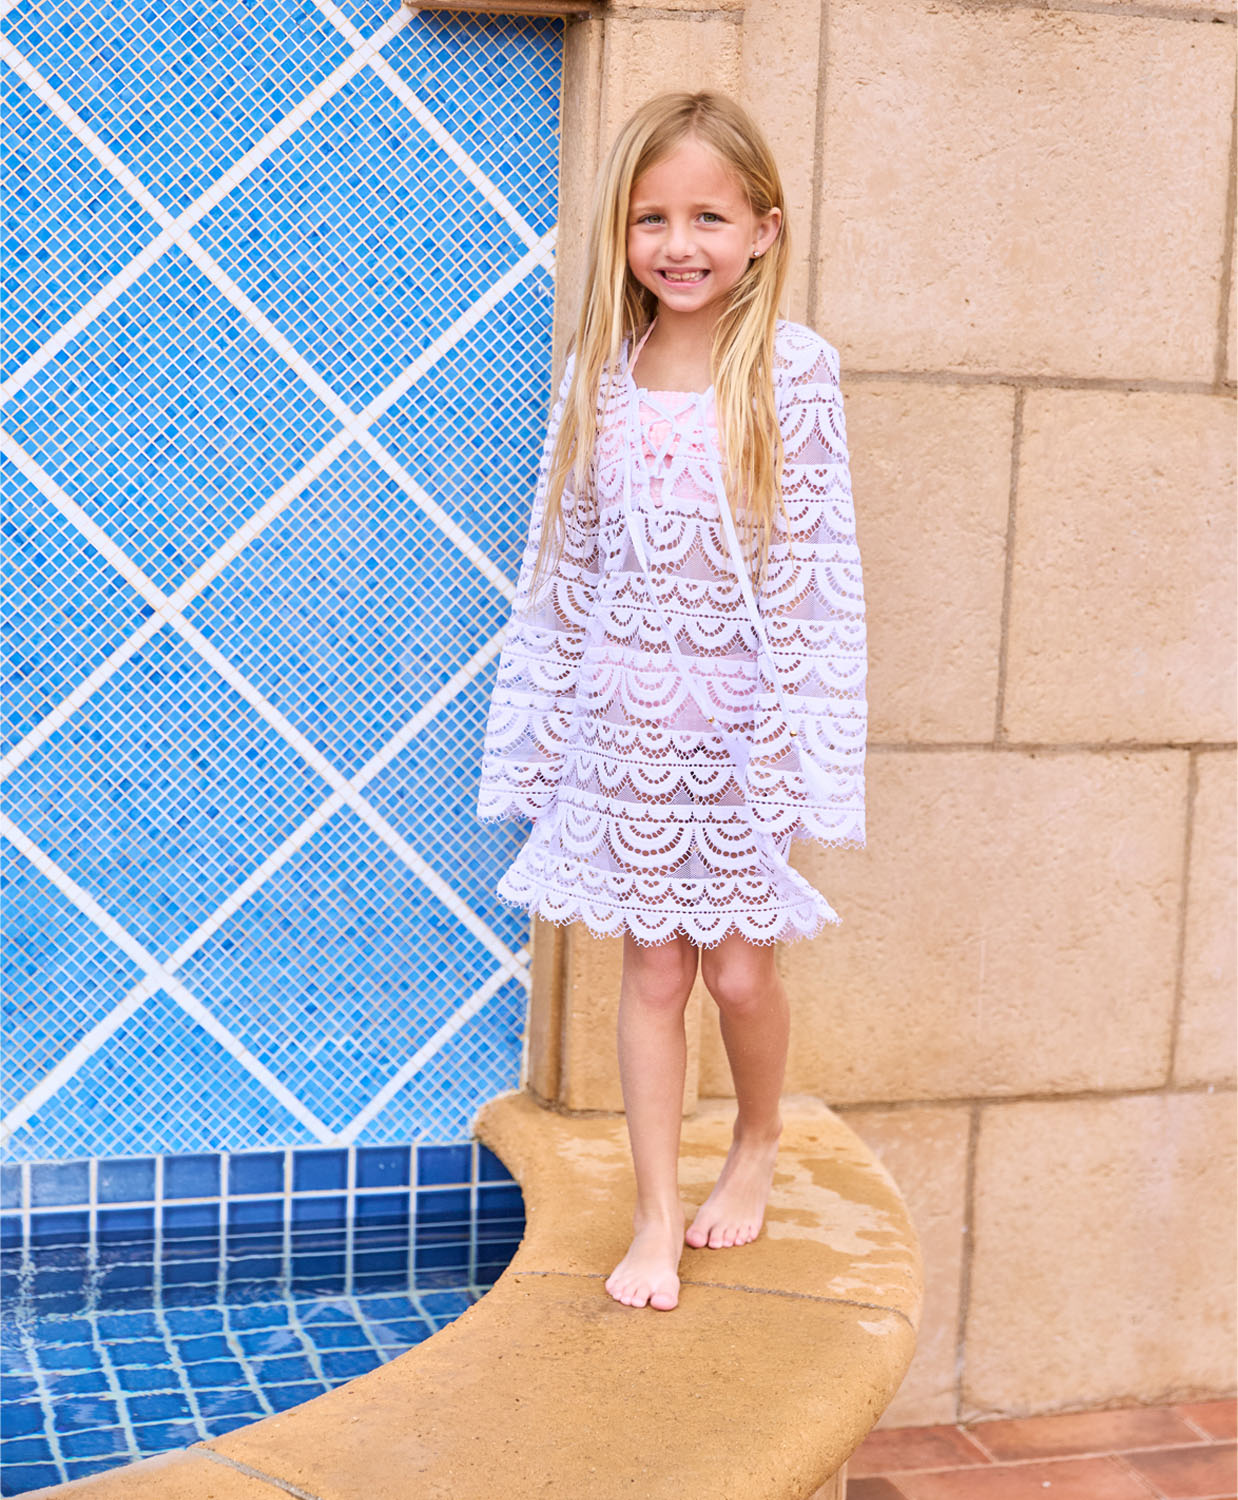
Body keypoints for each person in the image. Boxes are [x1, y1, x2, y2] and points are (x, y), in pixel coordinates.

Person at [476, 91, 866, 1312]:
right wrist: (545, 735)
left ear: (762, 228)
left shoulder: (793, 373)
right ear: (622, 231)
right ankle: (654, 1216)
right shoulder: (602, 374)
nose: (677, 243)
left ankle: (752, 1141)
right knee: (652, 974)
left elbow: (816, 575)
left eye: (706, 215)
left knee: (739, 976)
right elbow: (567, 563)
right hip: (627, 721)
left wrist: (803, 746)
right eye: (652, 217)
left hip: (743, 730)